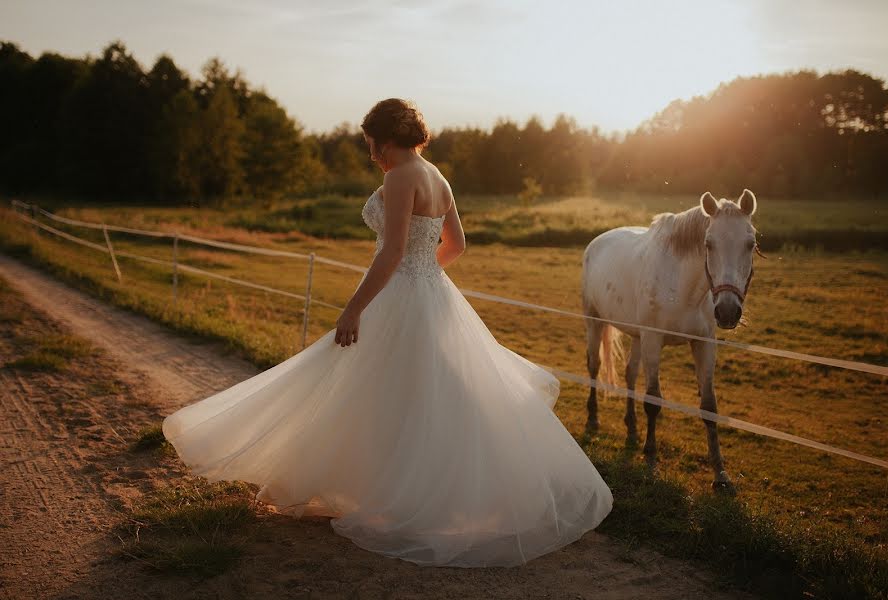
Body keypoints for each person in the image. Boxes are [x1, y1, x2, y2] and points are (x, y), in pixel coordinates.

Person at [162, 98, 614, 568]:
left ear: (386, 139)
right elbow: (456, 245)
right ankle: (418, 492)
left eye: (370, 145)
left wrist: (355, 308)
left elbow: (393, 251)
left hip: (400, 296)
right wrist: (425, 277)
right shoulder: (437, 176)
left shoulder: (398, 177)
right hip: (433, 296)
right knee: (422, 394)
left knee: (366, 387)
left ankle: (370, 490)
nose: (370, 154)